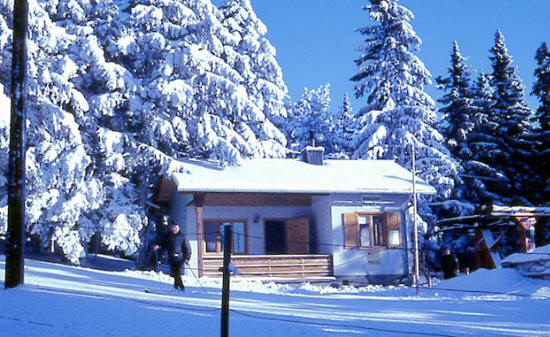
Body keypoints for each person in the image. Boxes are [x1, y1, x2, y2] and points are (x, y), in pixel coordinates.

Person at [153, 220, 192, 291]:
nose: (174, 229)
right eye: (173, 227)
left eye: (176, 227)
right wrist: (158, 246)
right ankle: (176, 287)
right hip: (171, 257)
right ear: (170, 228)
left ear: (179, 228)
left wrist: (187, 258)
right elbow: (163, 244)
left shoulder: (183, 237)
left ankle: (181, 288)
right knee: (174, 273)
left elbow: (187, 248)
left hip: (180, 257)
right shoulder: (167, 236)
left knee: (177, 272)